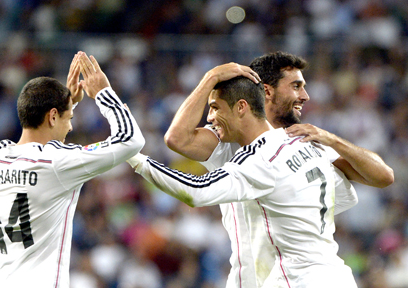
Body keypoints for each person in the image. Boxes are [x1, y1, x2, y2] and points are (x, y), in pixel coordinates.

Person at [163, 52, 394, 287]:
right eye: (296, 86)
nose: (305, 96)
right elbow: (177, 139)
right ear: (267, 91)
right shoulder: (228, 139)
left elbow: (383, 176)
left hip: (302, 278)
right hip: (251, 280)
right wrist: (211, 78)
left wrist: (332, 140)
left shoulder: (305, 141)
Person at [126, 75, 359, 287]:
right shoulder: (307, 145)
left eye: (215, 108)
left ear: (241, 107)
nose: (209, 117)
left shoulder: (258, 157)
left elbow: (196, 191)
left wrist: (134, 157)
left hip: (297, 280)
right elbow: (347, 197)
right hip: (337, 275)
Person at [0, 51, 145, 288]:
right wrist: (103, 93)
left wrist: (69, 104)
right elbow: (131, 140)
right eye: (68, 118)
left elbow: (45, 154)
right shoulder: (56, 163)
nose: (70, 127)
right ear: (52, 116)